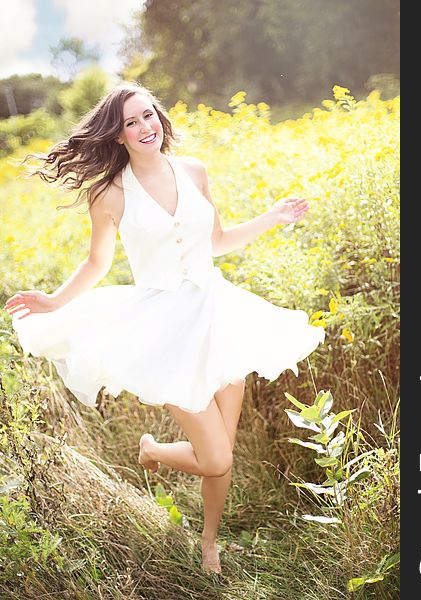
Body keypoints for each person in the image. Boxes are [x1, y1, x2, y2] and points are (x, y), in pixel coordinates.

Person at [3, 82, 324, 574]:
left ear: (159, 117)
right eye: (130, 122)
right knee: (214, 457)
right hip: (164, 331)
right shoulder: (108, 194)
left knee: (224, 454)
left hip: (220, 318)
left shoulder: (193, 170)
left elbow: (217, 242)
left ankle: (210, 544)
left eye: (148, 115)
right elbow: (96, 264)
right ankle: (151, 450)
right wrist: (53, 300)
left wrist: (272, 216)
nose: (144, 127)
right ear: (117, 135)